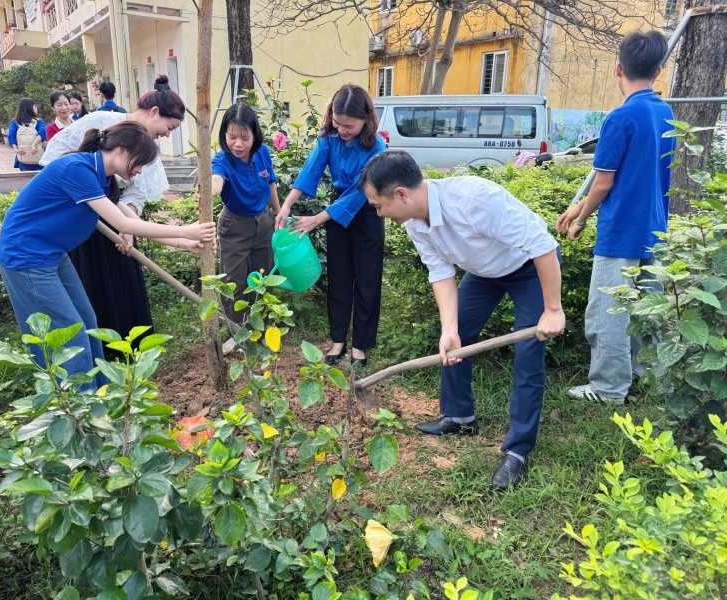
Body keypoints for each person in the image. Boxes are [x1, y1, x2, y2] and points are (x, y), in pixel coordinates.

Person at [360, 150, 566, 490]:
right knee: (456, 338)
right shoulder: (414, 222)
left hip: (530, 266)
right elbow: (440, 271)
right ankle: (459, 416)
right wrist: (449, 328)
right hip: (484, 272)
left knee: (529, 351)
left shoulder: (474, 199)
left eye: (378, 206)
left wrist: (553, 310)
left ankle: (517, 451)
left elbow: (542, 246)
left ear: (401, 194)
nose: (378, 213)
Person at [0, 121, 216, 389]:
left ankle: (98, 393)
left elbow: (129, 220)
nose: (139, 170)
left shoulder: (104, 179)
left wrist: (184, 242)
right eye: (140, 163)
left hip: (53, 253)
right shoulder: (77, 169)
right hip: (26, 256)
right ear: (122, 151)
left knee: (88, 323)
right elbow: (123, 225)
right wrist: (188, 231)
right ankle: (79, 403)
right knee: (69, 333)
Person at [557, 30, 675, 404]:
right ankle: (650, 381)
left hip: (621, 231)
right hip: (654, 229)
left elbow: (604, 184)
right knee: (648, 310)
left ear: (618, 68)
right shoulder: (665, 112)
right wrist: (578, 207)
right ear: (658, 71)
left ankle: (609, 388)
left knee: (609, 313)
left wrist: (580, 220)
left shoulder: (620, 118)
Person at [41, 75, 187, 341]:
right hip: (88, 222)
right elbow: (58, 161)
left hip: (121, 222)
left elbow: (135, 194)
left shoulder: (148, 147)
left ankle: (130, 349)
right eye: (170, 126)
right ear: (154, 112)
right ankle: (100, 348)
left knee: (124, 287)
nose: (168, 134)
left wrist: (127, 226)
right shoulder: (101, 124)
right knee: (93, 290)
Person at [275, 83, 387, 367]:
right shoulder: (329, 138)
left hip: (368, 208)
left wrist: (318, 219)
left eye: (349, 125)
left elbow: (360, 190)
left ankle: (360, 345)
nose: (342, 130)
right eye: (337, 122)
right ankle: (338, 341)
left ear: (366, 119)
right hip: (336, 210)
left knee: (367, 279)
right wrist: (286, 205)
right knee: (339, 277)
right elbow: (309, 171)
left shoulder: (377, 146)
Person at [212, 103, 281, 324]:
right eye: (232, 137)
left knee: (263, 279)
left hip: (264, 223)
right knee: (234, 283)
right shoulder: (222, 160)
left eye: (245, 138)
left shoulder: (262, 153)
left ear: (255, 135)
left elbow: (271, 183)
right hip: (235, 226)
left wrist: (279, 214)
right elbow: (216, 180)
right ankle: (237, 330)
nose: (238, 144)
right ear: (224, 134)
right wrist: (210, 188)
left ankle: (262, 328)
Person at [8, 98, 46, 172]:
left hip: (23, 157)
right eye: (35, 106)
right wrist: (34, 145)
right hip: (38, 157)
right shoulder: (38, 122)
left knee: (25, 177)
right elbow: (44, 132)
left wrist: (16, 149)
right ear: (30, 108)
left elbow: (11, 136)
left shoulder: (15, 122)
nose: (36, 108)